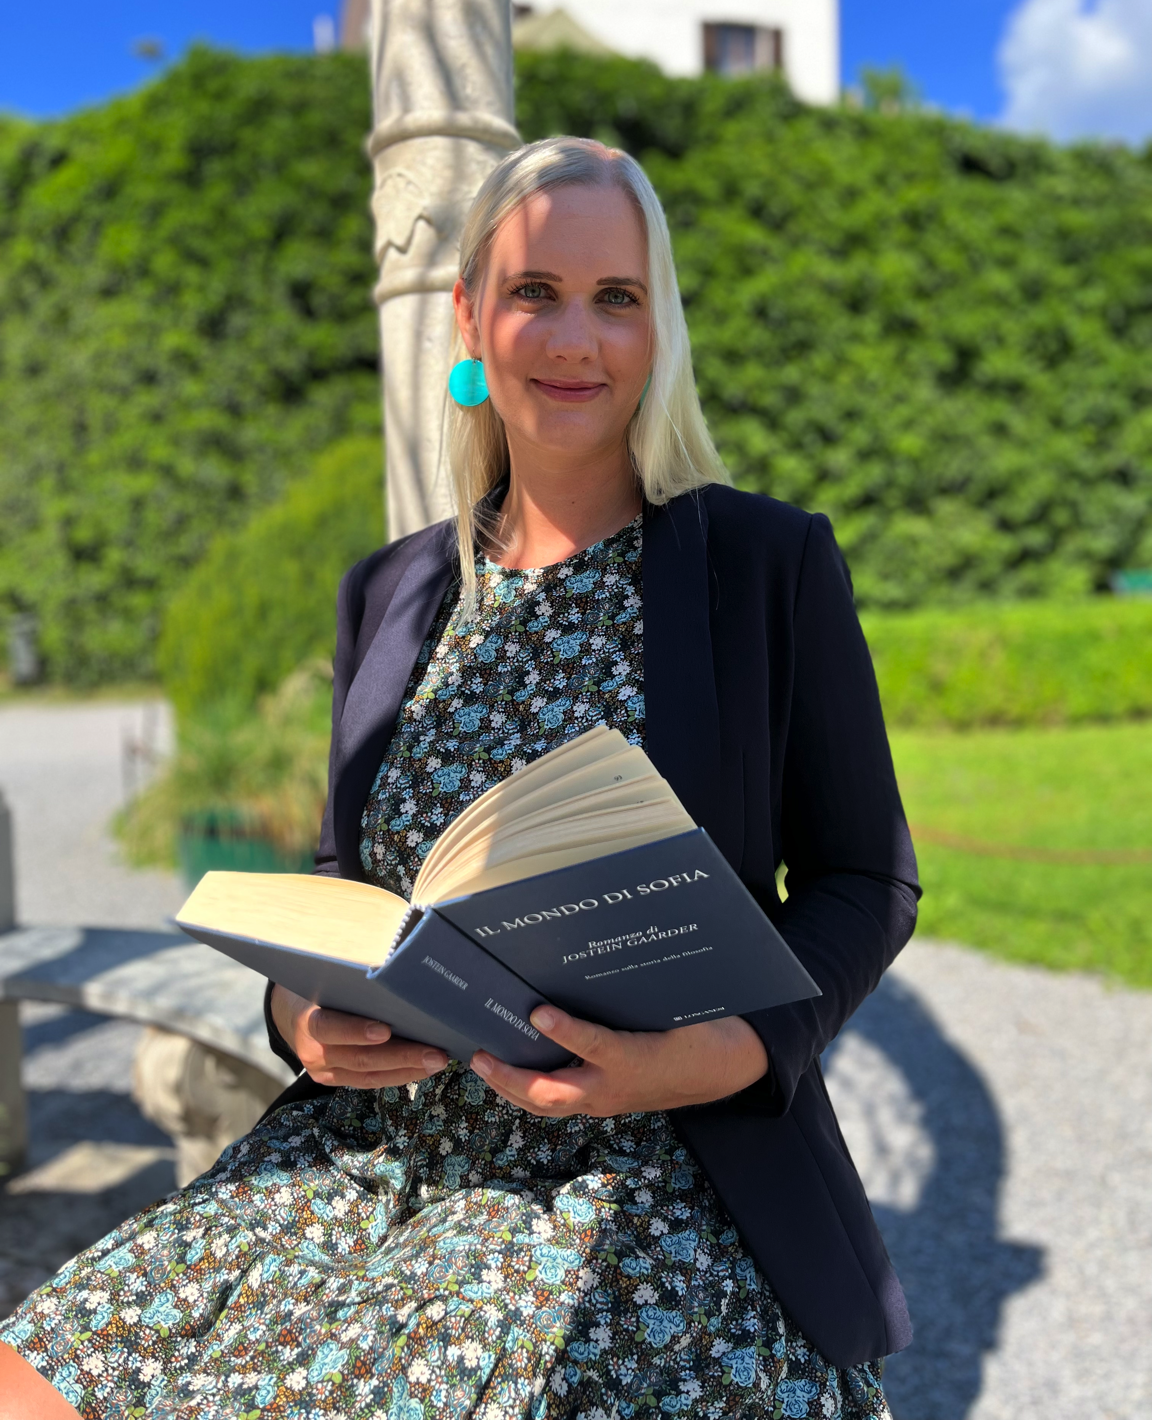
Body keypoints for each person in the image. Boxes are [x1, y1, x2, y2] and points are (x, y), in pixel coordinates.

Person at [0, 136, 919, 1420]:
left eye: (617, 298)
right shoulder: (392, 591)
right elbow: (349, 877)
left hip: (654, 1171)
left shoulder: (764, 564)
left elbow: (864, 877)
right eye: (536, 290)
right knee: (34, 1379)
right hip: (373, 1150)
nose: (574, 338)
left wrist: (724, 1052)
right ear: (471, 318)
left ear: (660, 332)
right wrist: (300, 1022)